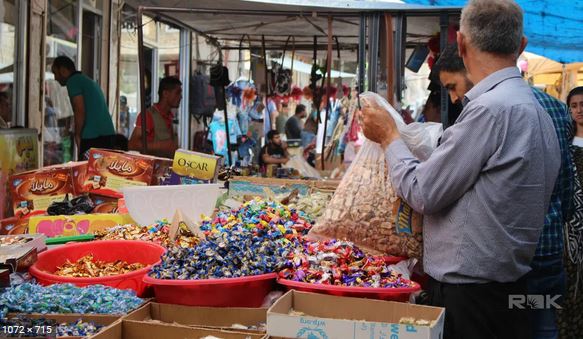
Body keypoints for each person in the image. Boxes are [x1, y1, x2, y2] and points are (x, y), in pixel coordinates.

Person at [361, 1, 561, 338]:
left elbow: (422, 192)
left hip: (474, 298)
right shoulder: (535, 110)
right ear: (521, 45)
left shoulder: (490, 111)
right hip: (509, 288)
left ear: (462, 43)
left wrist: (390, 138)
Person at [435, 43, 574, 339]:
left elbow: (443, 188)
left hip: (503, 262)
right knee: (541, 324)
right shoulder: (555, 109)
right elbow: (565, 186)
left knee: (513, 322)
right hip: (547, 253)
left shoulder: (487, 110)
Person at [51, 56, 116, 159]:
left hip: (93, 138)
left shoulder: (73, 81)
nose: (55, 78)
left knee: (87, 172)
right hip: (108, 136)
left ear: (63, 70)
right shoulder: (85, 80)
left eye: (55, 73)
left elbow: (79, 109)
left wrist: (77, 134)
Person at [558, 86, 583, 338]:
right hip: (570, 227)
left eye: (582, 104)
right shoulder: (564, 144)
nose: (579, 110)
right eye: (574, 105)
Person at [129, 77, 181, 158]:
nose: (181, 97)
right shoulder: (148, 116)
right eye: (177, 93)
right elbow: (132, 145)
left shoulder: (170, 117)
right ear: (165, 94)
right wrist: (160, 146)